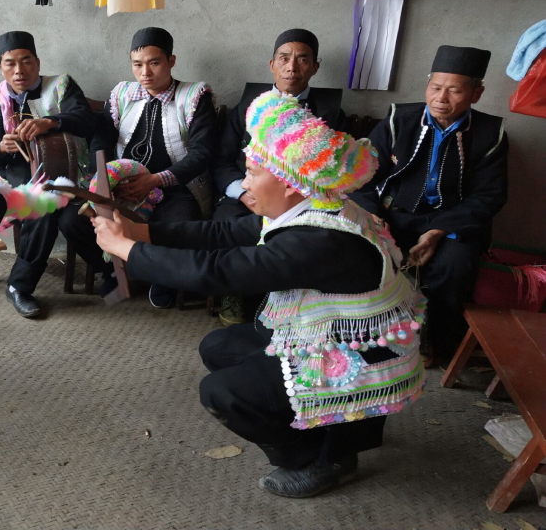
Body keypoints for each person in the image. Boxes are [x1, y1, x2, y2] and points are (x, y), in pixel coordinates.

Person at [93, 92, 424, 498]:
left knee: (222, 393)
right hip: (347, 335)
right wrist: (140, 232)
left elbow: (219, 272)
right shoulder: (315, 202)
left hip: (365, 356)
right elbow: (225, 232)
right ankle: (328, 427)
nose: (244, 183)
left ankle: (321, 458)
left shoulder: (318, 240)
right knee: (219, 347)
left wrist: (126, 249)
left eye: (251, 172)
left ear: (286, 182)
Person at [351, 45, 508, 367]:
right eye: (435, 87)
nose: (441, 98)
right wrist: (374, 218)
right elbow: (361, 175)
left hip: (451, 222)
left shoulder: (491, 133)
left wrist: (438, 231)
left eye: (455, 90)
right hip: (392, 215)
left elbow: (489, 196)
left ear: (476, 93)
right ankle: (362, 336)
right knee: (360, 253)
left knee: (455, 267)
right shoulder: (397, 120)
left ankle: (435, 343)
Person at [59, 27, 215, 308]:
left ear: (171, 61)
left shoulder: (194, 96)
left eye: (154, 63)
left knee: (181, 223)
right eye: (137, 64)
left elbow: (202, 153)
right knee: (72, 220)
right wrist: (105, 180)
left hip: (174, 187)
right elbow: (101, 140)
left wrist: (155, 180)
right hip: (122, 184)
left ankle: (161, 276)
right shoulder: (122, 93)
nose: (145, 73)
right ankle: (113, 269)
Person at [212, 29, 345, 326]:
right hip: (245, 192)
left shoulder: (330, 112)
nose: (292, 67)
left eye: (302, 59)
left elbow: (332, 170)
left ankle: (282, 303)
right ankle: (234, 293)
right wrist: (242, 192)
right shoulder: (247, 106)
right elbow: (222, 160)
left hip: (297, 199)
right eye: (284, 58)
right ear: (272, 65)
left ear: (315, 67)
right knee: (228, 222)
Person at [0, 31, 96, 319]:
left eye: (26, 61)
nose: (19, 70)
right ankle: (19, 287)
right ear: (0, 67)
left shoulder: (60, 86)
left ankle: (109, 269)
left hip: (66, 177)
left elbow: (86, 121)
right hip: (15, 182)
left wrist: (50, 122)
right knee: (41, 209)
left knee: (73, 218)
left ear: (37, 63)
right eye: (10, 63)